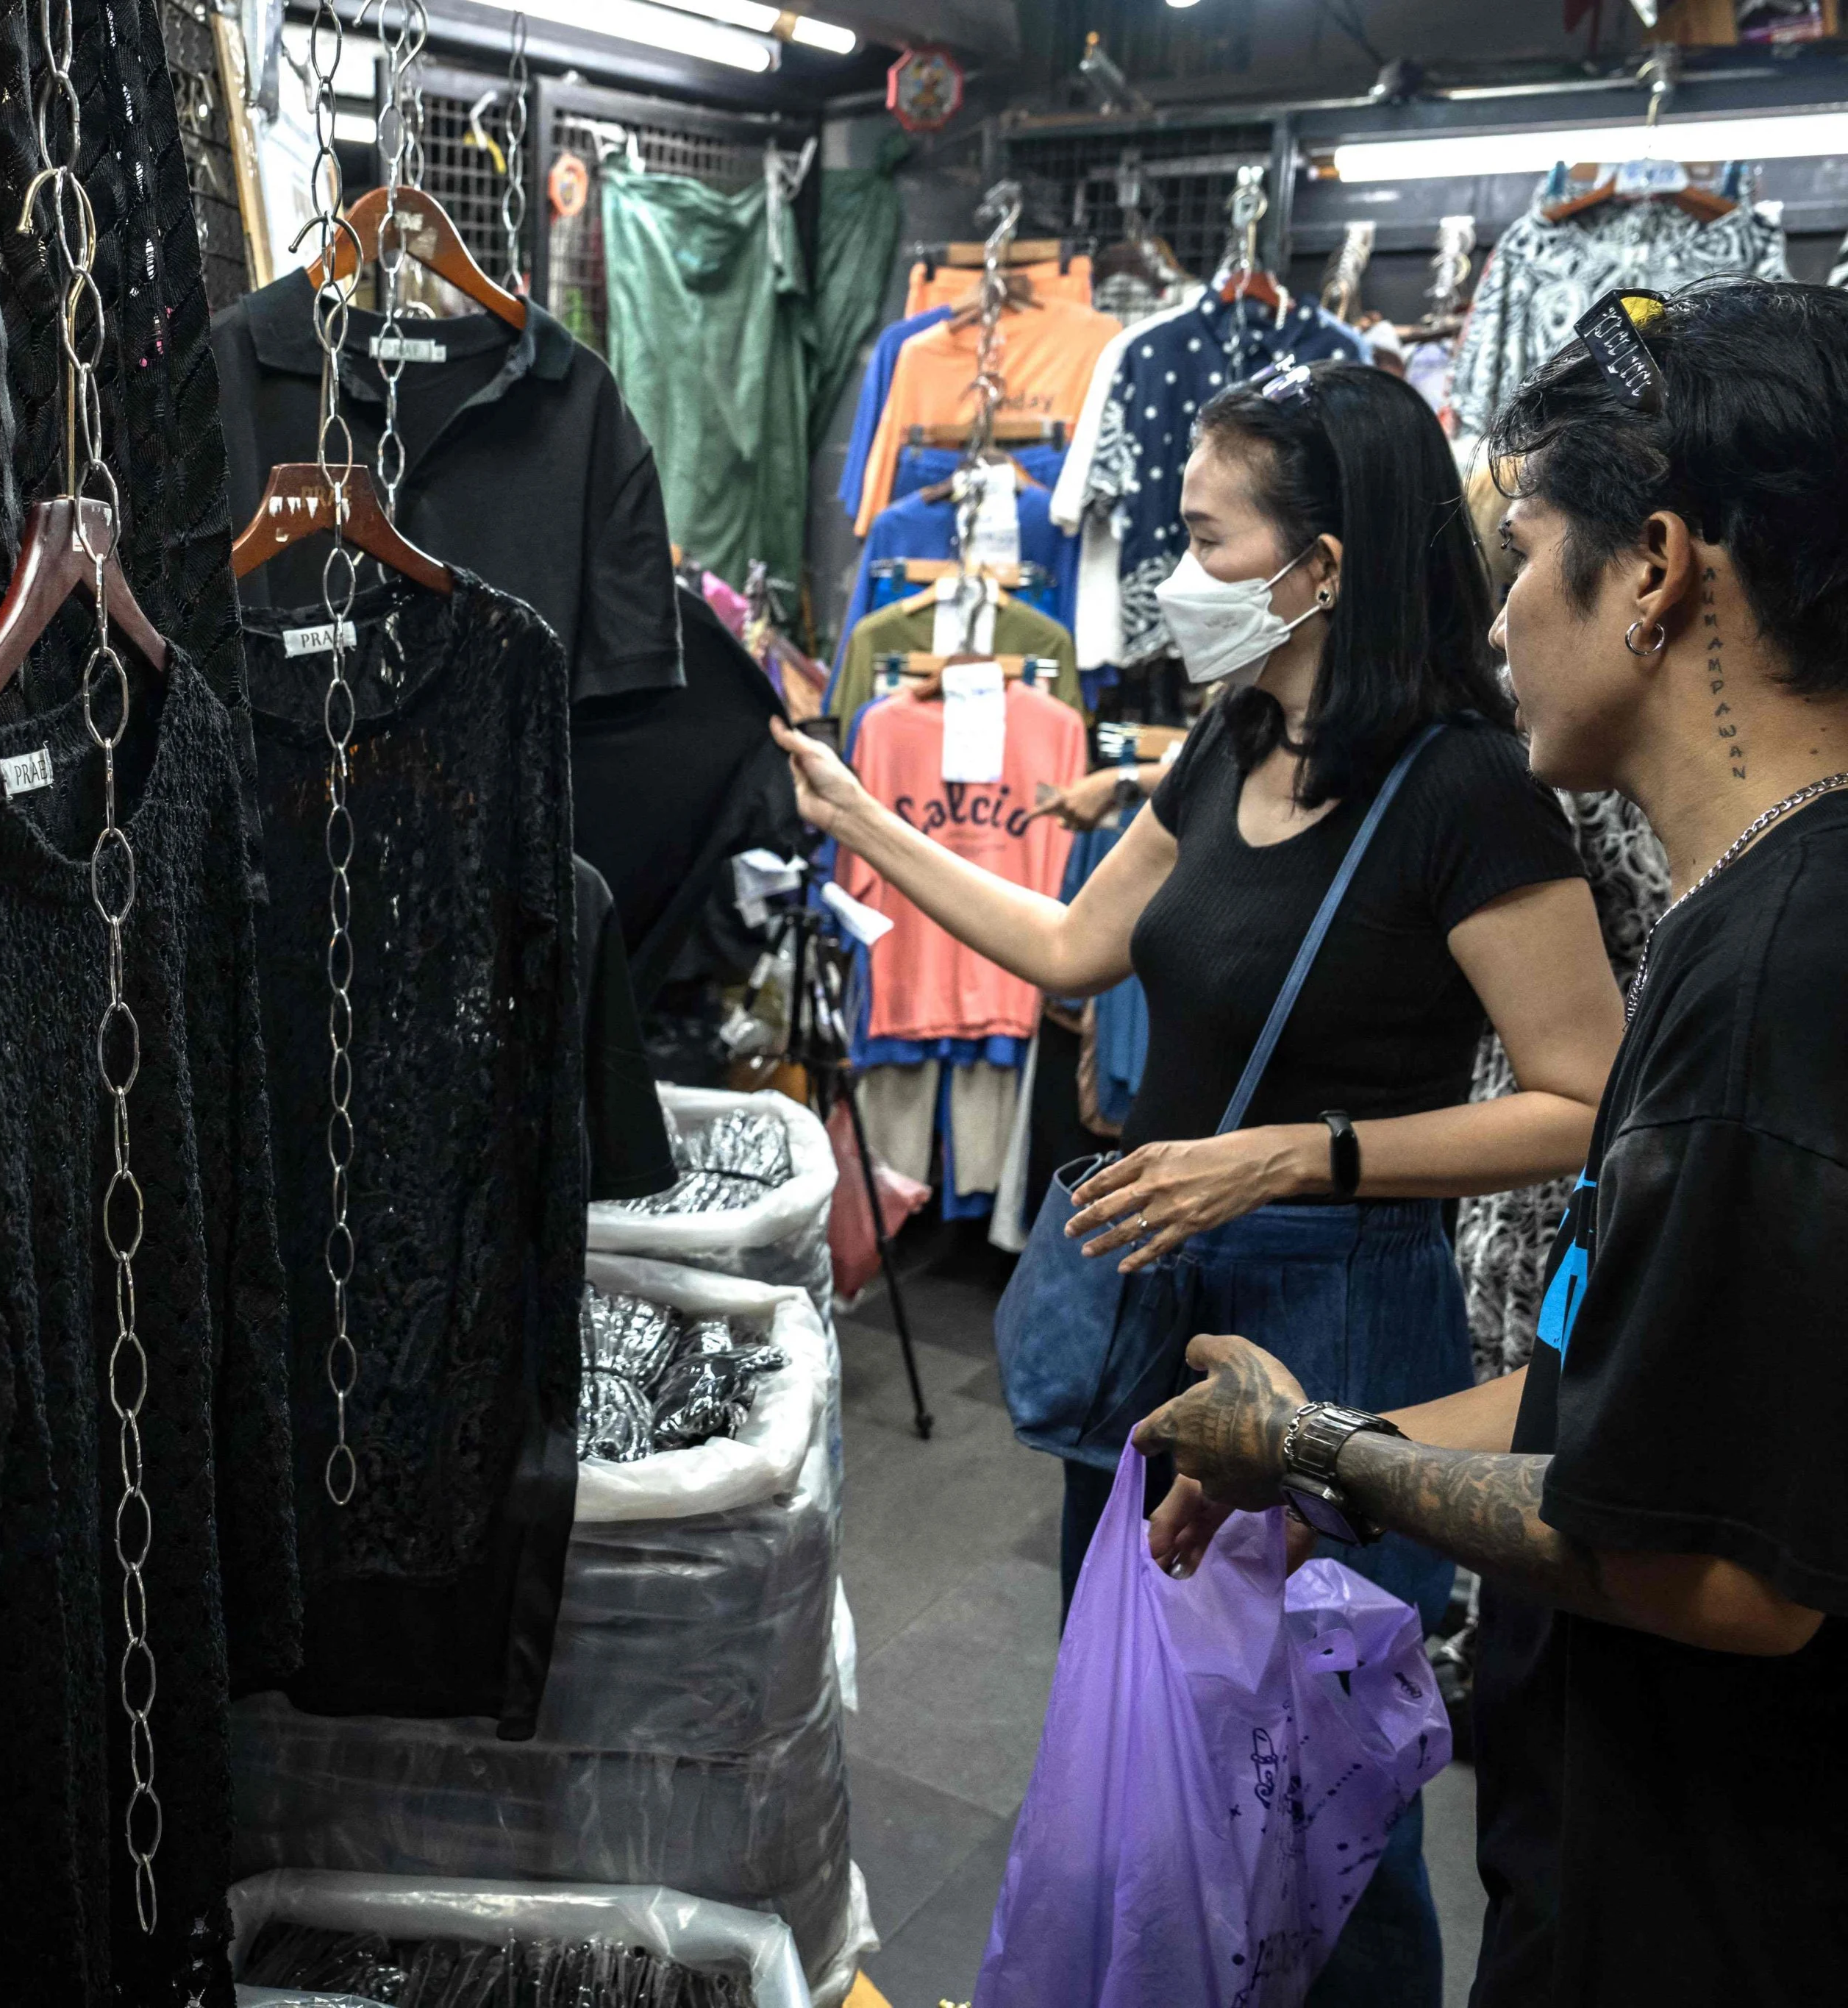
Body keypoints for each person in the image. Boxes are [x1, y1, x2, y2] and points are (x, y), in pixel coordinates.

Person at [774, 360, 1626, 2007]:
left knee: (1316, 1784)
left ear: (1321, 563)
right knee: (1156, 1731)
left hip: (1332, 1331)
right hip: (1159, 1319)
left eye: (1203, 536)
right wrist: (862, 818)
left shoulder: (1462, 786)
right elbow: (1076, 941)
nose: (1172, 573)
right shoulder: (1234, 734)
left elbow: (1585, 1099)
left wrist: (1303, 1152)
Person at [1138, 280, 1848, 2006]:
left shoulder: (1772, 980)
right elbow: (1609, 1397)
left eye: (1524, 554)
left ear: (1657, 571)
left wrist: (1323, 1452)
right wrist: (1326, 1448)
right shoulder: (1749, 920)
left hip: (1703, 1897)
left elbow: (1721, 1569)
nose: (1500, 616)